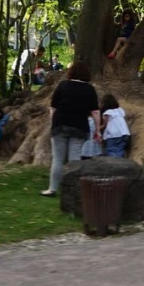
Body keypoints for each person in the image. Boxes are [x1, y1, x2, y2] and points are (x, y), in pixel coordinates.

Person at [42, 62, 99, 196]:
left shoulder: (63, 85)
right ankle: (73, 191)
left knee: (58, 159)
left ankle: (52, 189)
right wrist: (98, 130)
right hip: (79, 126)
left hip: (60, 124)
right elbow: (95, 112)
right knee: (75, 160)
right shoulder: (89, 89)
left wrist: (53, 123)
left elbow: (53, 108)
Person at [100, 93, 131, 157]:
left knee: (112, 151)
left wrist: (97, 128)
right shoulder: (120, 110)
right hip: (125, 133)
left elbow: (104, 125)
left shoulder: (107, 113)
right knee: (120, 150)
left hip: (113, 135)